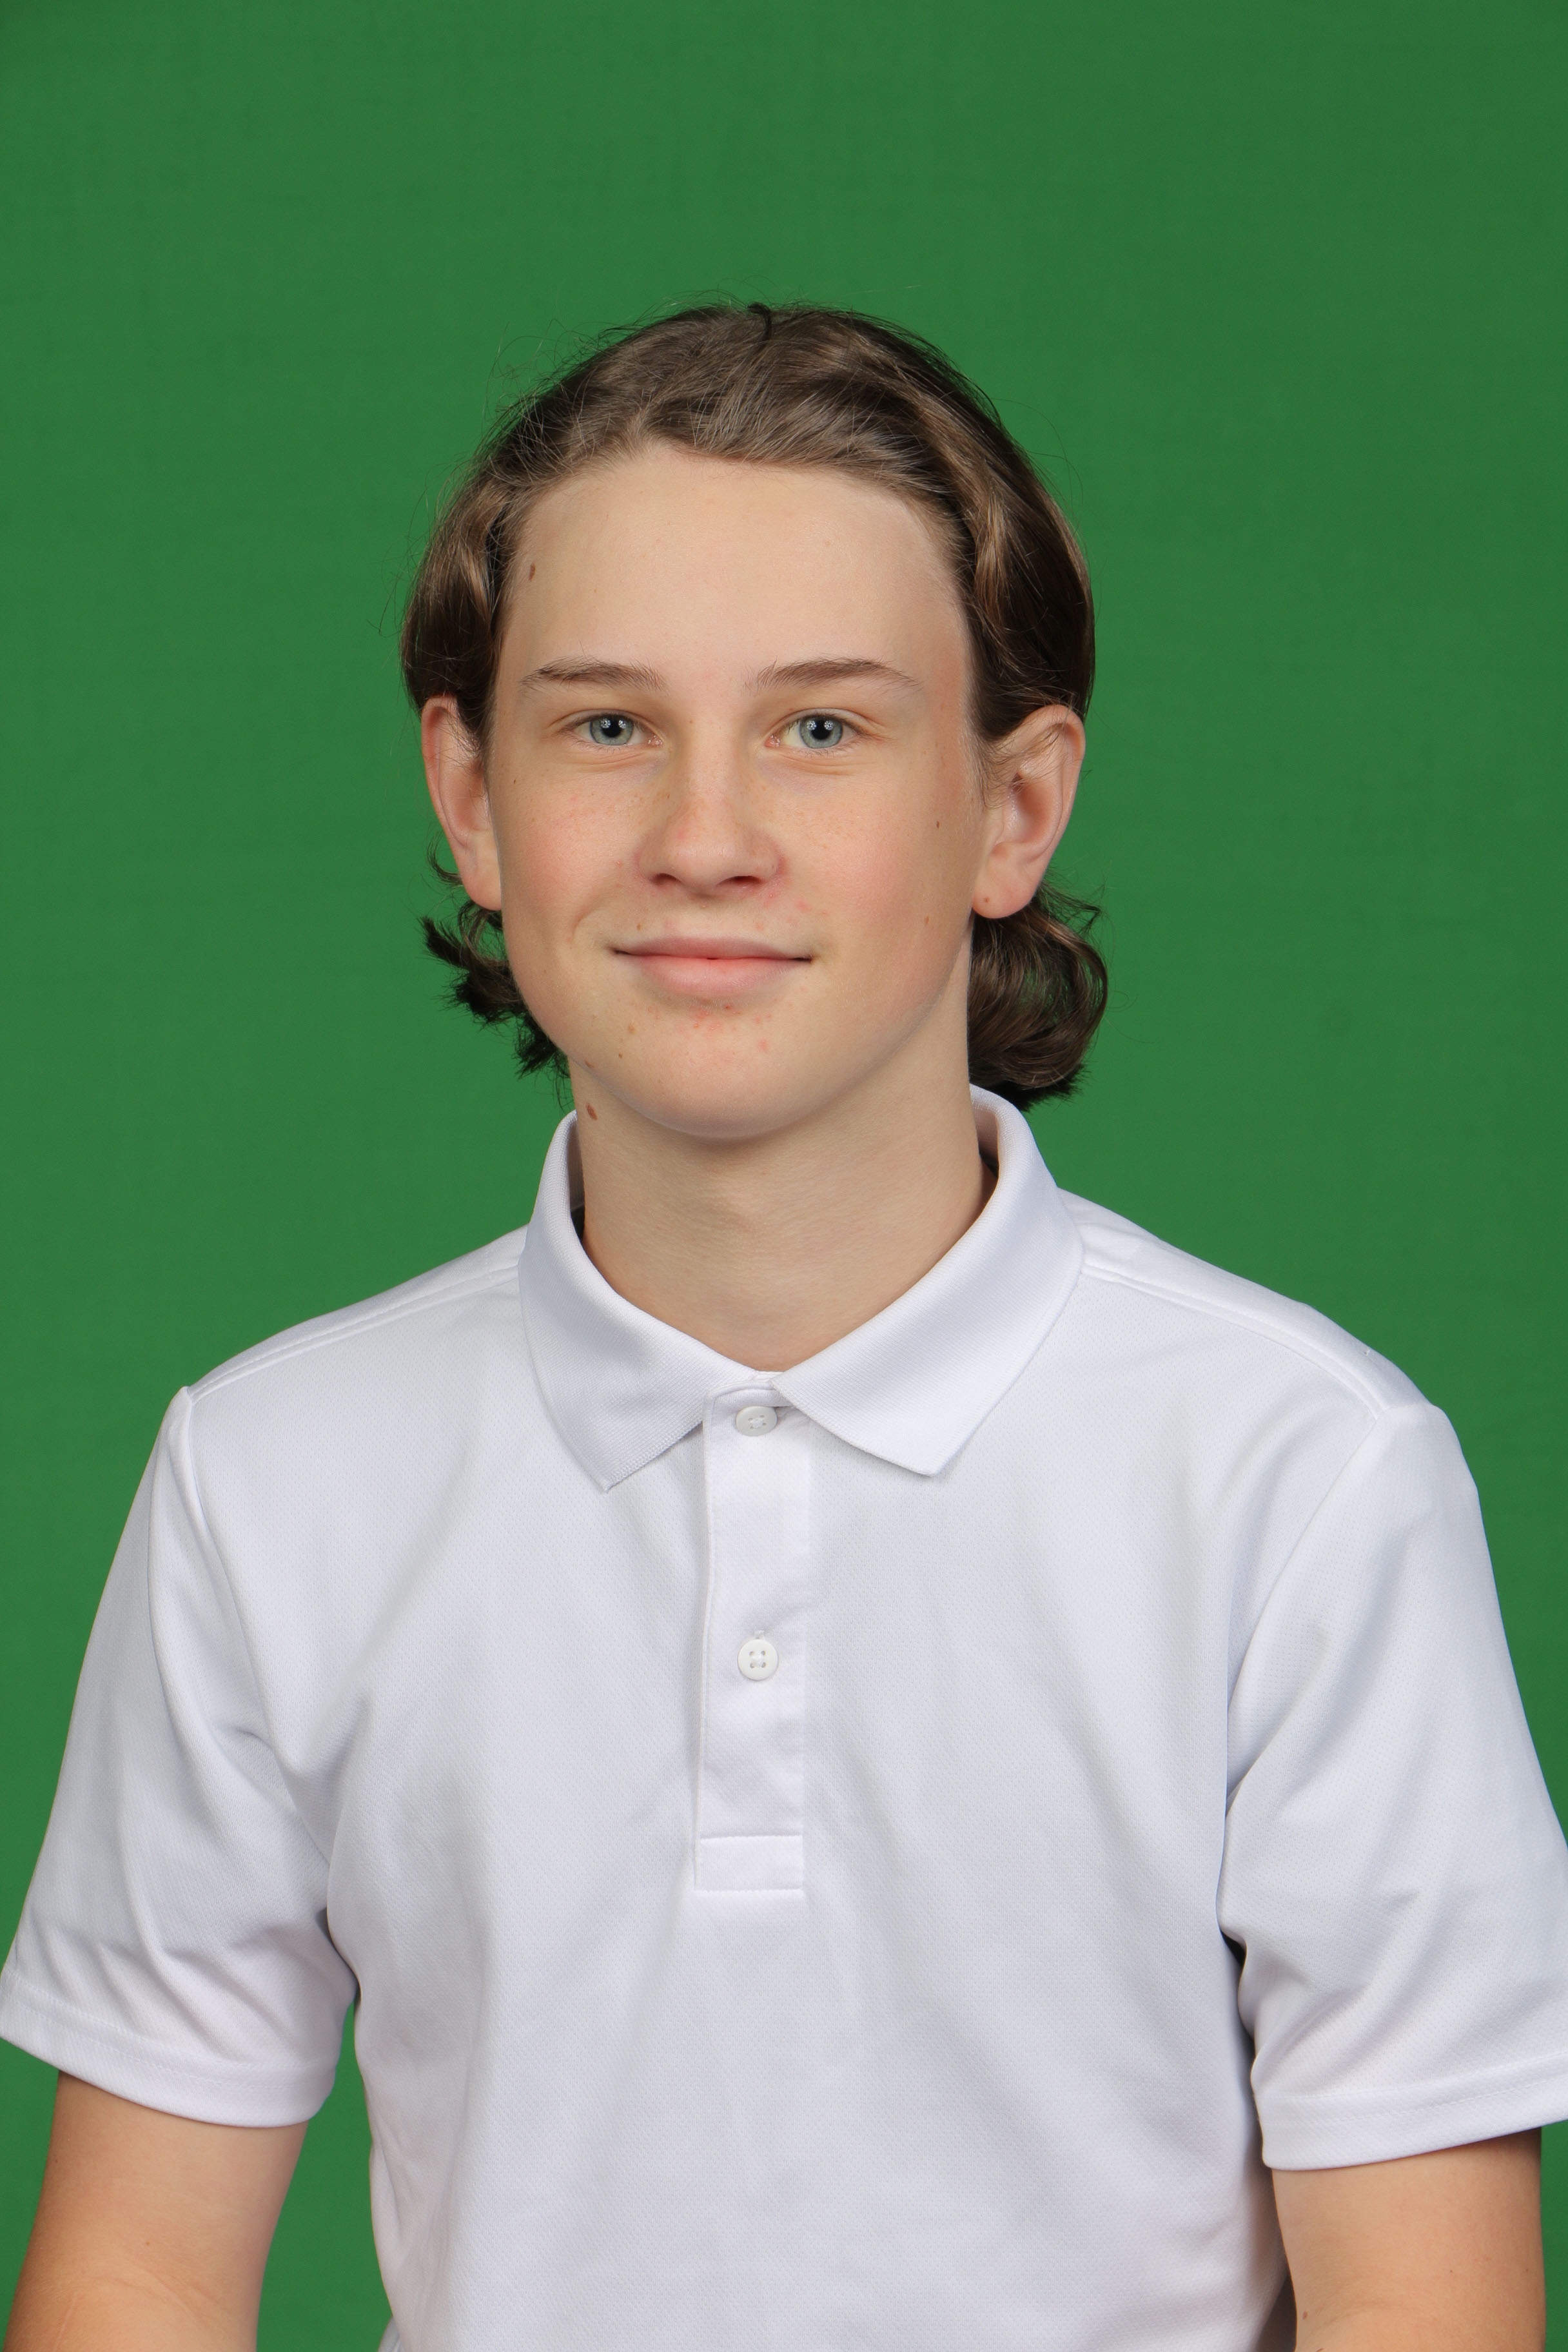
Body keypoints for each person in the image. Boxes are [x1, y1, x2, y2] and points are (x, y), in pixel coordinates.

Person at [3, 304, 1565, 2352]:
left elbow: (1428, 2310)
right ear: (470, 797)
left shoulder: (1302, 1480)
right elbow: (132, 2283)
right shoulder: (268, 1478)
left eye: (823, 730)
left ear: (1014, 809)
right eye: (607, 727)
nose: (707, 836)